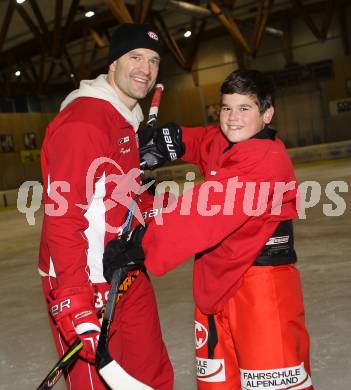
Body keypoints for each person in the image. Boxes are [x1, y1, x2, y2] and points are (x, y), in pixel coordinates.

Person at [105, 69, 314, 389]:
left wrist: (142, 242)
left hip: (261, 292)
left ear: (267, 113)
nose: (232, 118)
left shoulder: (265, 160)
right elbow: (205, 142)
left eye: (245, 108)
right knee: (216, 384)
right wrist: (171, 140)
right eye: (226, 108)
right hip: (214, 288)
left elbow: (203, 212)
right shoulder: (229, 140)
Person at [38, 23, 174, 390]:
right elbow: (63, 216)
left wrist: (154, 203)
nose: (145, 68)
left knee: (151, 374)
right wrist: (74, 296)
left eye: (153, 60)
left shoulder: (125, 120)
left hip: (125, 266)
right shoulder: (84, 122)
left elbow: (119, 197)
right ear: (113, 63)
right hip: (85, 275)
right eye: (135, 57)